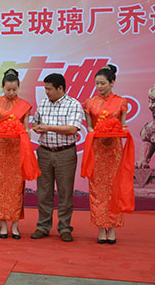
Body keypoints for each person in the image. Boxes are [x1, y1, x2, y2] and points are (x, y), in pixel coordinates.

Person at [31, 73, 83, 242]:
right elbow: (35, 122)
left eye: (49, 89)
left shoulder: (73, 104)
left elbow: (73, 129)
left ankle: (65, 227)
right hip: (44, 152)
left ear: (60, 88)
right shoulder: (43, 103)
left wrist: (48, 127)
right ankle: (43, 226)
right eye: (45, 89)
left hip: (65, 153)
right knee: (43, 191)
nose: (46, 92)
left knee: (65, 192)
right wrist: (37, 127)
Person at [84, 65, 128, 244]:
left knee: (114, 188)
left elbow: (123, 126)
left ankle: (113, 228)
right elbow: (89, 127)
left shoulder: (121, 102)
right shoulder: (90, 103)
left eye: (103, 83)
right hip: (97, 149)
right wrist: (96, 132)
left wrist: (116, 131)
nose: (99, 86)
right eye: (97, 83)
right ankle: (101, 227)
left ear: (112, 82)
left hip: (114, 150)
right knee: (98, 189)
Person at [0, 69, 32, 239]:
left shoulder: (24, 105)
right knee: (0, 185)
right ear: (3, 87)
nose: (11, 92)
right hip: (0, 148)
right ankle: (2, 224)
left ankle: (15, 224)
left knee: (16, 186)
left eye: (14, 89)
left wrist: (23, 133)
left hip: (17, 149)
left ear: (18, 87)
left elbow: (26, 128)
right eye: (8, 89)